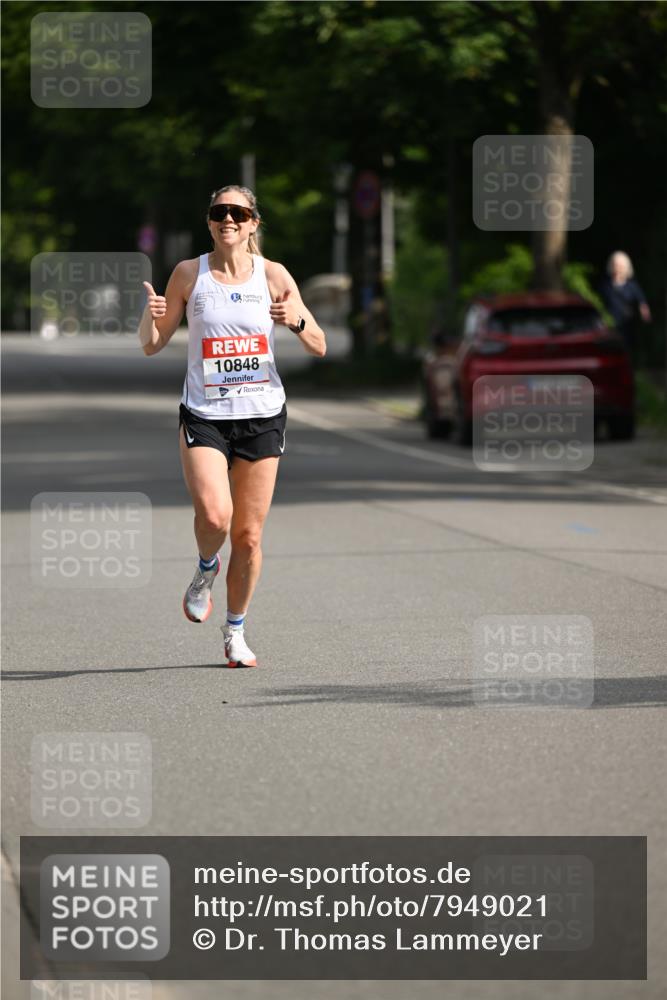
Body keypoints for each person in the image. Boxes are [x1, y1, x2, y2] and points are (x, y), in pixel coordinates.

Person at [138, 185, 326, 666]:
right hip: (205, 414)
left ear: (252, 223)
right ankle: (206, 568)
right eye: (220, 212)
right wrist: (149, 316)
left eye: (238, 213)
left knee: (248, 536)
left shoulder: (273, 274)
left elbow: (319, 344)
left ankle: (236, 630)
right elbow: (153, 344)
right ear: (209, 221)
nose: (228, 220)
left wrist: (297, 322)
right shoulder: (189, 274)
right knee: (215, 517)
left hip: (262, 415)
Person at [599, 251, 652, 365]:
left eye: (620, 265)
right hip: (610, 326)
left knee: (626, 353)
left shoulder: (632, 286)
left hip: (627, 325)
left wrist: (644, 312)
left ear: (626, 267)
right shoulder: (605, 285)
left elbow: (642, 302)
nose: (617, 268)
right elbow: (599, 305)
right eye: (615, 264)